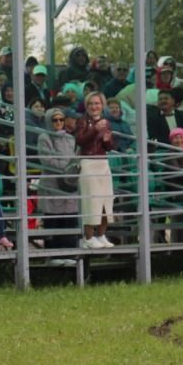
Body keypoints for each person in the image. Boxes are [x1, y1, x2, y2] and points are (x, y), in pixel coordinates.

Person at [37, 108, 79, 263]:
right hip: (52, 182)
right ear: (49, 121)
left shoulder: (70, 138)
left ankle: (69, 253)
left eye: (61, 119)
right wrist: (66, 167)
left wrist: (71, 169)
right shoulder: (44, 137)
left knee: (69, 217)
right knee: (53, 218)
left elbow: (74, 158)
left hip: (69, 184)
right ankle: (53, 254)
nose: (59, 123)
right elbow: (46, 160)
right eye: (55, 120)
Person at [74, 91, 115, 249]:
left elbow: (109, 147)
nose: (94, 106)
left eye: (97, 103)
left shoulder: (106, 122)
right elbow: (80, 140)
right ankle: (88, 237)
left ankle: (101, 234)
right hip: (88, 162)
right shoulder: (82, 121)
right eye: (91, 103)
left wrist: (108, 140)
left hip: (103, 162)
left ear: (102, 105)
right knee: (91, 201)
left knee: (106, 200)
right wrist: (95, 130)